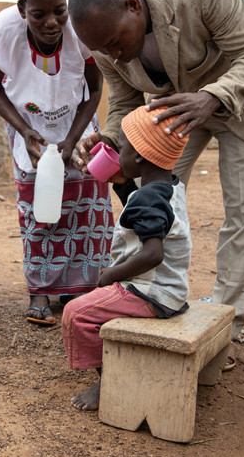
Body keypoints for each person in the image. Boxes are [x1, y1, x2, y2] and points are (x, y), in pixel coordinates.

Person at [68, 0, 244, 368]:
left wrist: (213, 97)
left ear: (134, 6)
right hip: (176, 115)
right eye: (103, 50)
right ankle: (152, 298)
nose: (114, 55)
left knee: (243, 215)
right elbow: (123, 104)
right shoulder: (106, 41)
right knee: (152, 196)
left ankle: (227, 327)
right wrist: (111, 140)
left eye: (117, 43)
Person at [0, 0, 113, 326]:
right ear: (22, 10)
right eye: (38, 14)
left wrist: (72, 140)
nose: (51, 23)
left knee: (86, 207)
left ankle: (83, 290)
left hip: (77, 121)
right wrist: (24, 131)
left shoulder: (81, 31)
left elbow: (95, 89)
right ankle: (40, 290)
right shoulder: (0, 36)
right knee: (38, 208)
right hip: (28, 126)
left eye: (59, 12)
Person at [63, 105, 191, 410]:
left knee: (76, 313)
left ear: (139, 157)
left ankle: (108, 379)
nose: (117, 153)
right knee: (93, 302)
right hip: (170, 290)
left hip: (151, 292)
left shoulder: (149, 198)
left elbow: (153, 254)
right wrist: (120, 182)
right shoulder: (166, 187)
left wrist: (111, 275)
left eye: (121, 147)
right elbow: (141, 213)